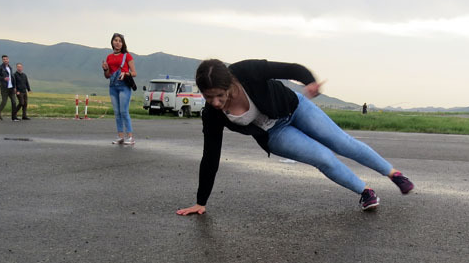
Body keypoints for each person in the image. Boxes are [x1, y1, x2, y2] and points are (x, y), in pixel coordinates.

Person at [176, 59, 414, 216]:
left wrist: (309, 81)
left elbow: (290, 69)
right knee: (323, 158)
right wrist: (201, 201)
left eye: (219, 95)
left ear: (229, 83)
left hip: (295, 107)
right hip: (274, 133)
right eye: (208, 97)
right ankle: (365, 192)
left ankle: (394, 174)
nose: (215, 103)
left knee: (342, 143)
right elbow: (210, 156)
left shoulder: (246, 71)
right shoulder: (212, 115)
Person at [101, 33, 137, 145]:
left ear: (123, 44)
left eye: (120, 41)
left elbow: (134, 73)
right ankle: (120, 137)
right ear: (112, 42)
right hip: (113, 87)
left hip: (124, 86)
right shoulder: (109, 57)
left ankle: (130, 137)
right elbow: (107, 76)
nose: (117, 43)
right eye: (115, 40)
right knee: (117, 112)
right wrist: (105, 69)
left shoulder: (127, 56)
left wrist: (126, 73)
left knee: (124, 111)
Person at [0, 55, 18, 121]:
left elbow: (12, 78)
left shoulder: (10, 67)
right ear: (2, 60)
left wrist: (14, 87)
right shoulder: (0, 67)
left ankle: (14, 117)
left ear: (8, 60)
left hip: (11, 88)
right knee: (4, 102)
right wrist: (3, 78)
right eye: (4, 59)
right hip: (4, 88)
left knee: (14, 102)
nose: (5, 60)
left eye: (6, 59)